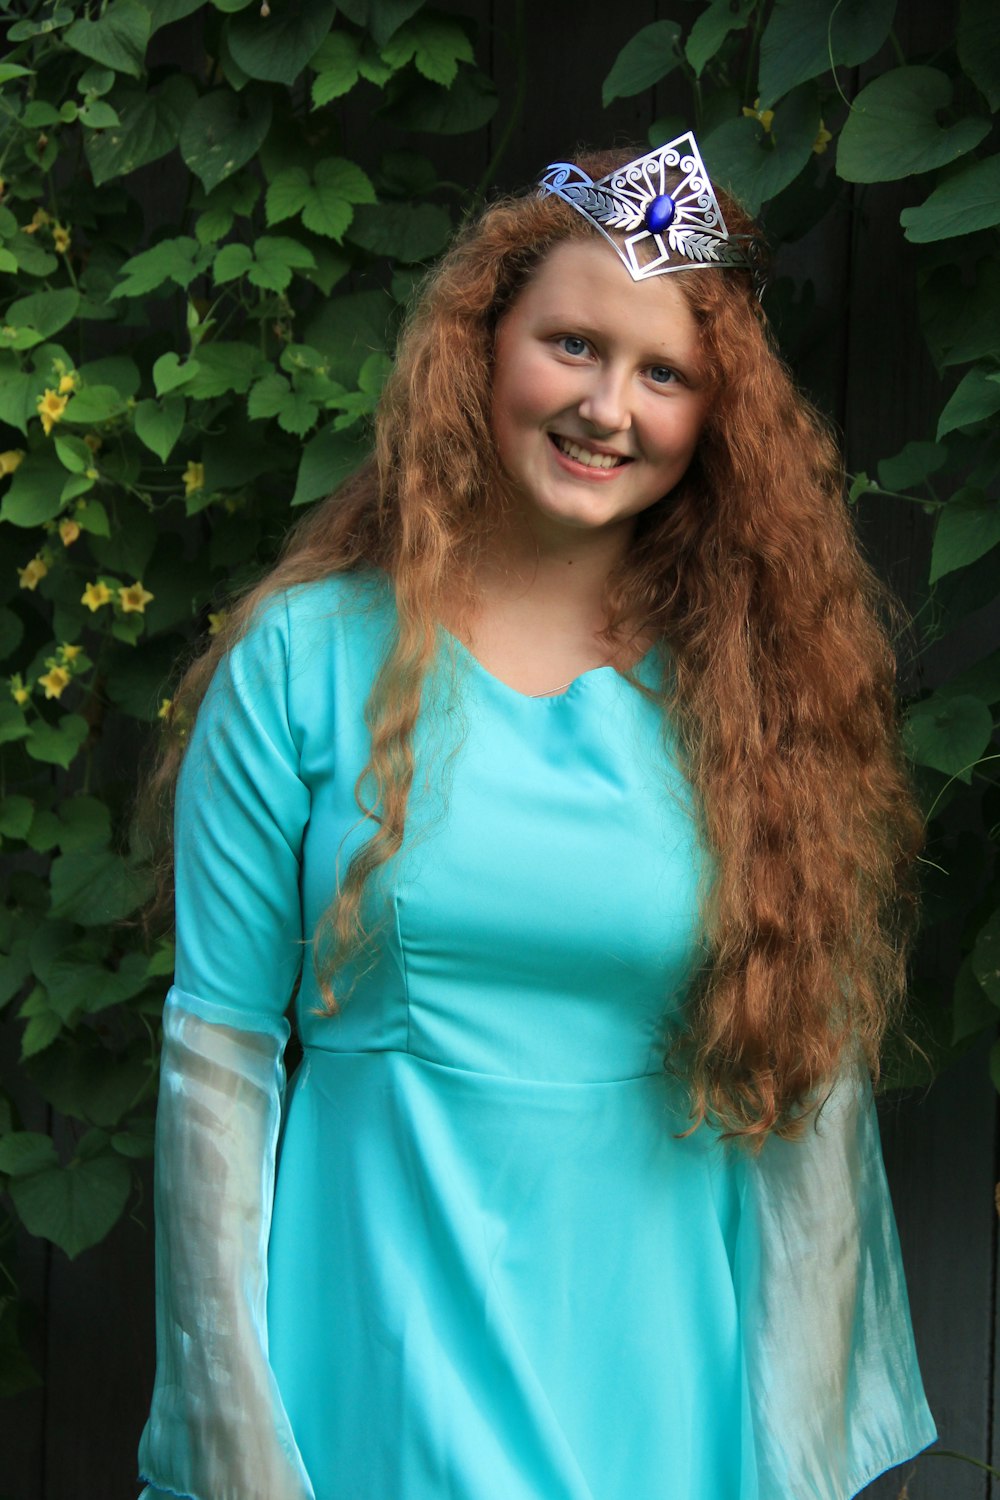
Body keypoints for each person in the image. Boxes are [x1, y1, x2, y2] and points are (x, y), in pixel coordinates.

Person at [136, 136, 936, 1500]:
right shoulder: (299, 665)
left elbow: (813, 1106)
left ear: (713, 416)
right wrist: (237, 1446)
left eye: (663, 372)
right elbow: (216, 1065)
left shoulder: (754, 715)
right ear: (483, 344)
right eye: (572, 343)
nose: (609, 406)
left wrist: (800, 1459)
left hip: (667, 1396)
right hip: (372, 1383)